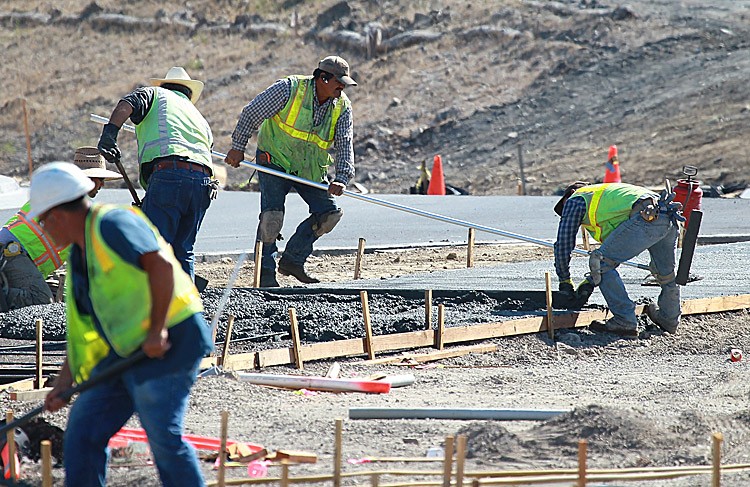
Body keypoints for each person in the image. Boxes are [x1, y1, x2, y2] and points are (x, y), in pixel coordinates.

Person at [33, 162, 211, 487]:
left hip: (171, 340)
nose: (45, 230)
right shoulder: (78, 258)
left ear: (56, 215)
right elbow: (85, 329)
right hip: (127, 352)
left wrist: (157, 330)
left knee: (163, 437)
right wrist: (63, 382)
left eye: (43, 222)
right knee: (83, 431)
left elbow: (160, 267)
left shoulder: (113, 223)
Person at [224, 55, 357, 287]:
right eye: (339, 81)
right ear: (323, 78)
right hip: (275, 157)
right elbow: (251, 113)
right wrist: (238, 147)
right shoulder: (289, 89)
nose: (343, 87)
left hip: (309, 167)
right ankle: (265, 274)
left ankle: (293, 260)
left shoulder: (342, 106)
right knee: (272, 217)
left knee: (329, 214)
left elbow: (345, 143)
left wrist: (343, 177)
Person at [97, 66, 217, 280]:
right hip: (203, 184)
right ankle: (186, 306)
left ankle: (152, 304)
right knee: (184, 249)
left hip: (169, 175)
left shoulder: (155, 94)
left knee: (153, 244)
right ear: (188, 93)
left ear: (165, 85)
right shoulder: (200, 119)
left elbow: (127, 104)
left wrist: (110, 134)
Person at [553, 181, 685, 337]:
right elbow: (617, 251)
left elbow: (564, 244)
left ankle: (624, 321)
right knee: (666, 273)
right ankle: (669, 319)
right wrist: (590, 282)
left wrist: (565, 280)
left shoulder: (577, 198)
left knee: (599, 262)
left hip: (647, 214)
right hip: (665, 215)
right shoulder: (611, 200)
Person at [0, 147, 122, 311]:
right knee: (40, 300)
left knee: (58, 298)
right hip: (12, 252)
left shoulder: (69, 202)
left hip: (20, 257)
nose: (102, 185)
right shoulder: (69, 205)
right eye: (100, 179)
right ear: (89, 180)